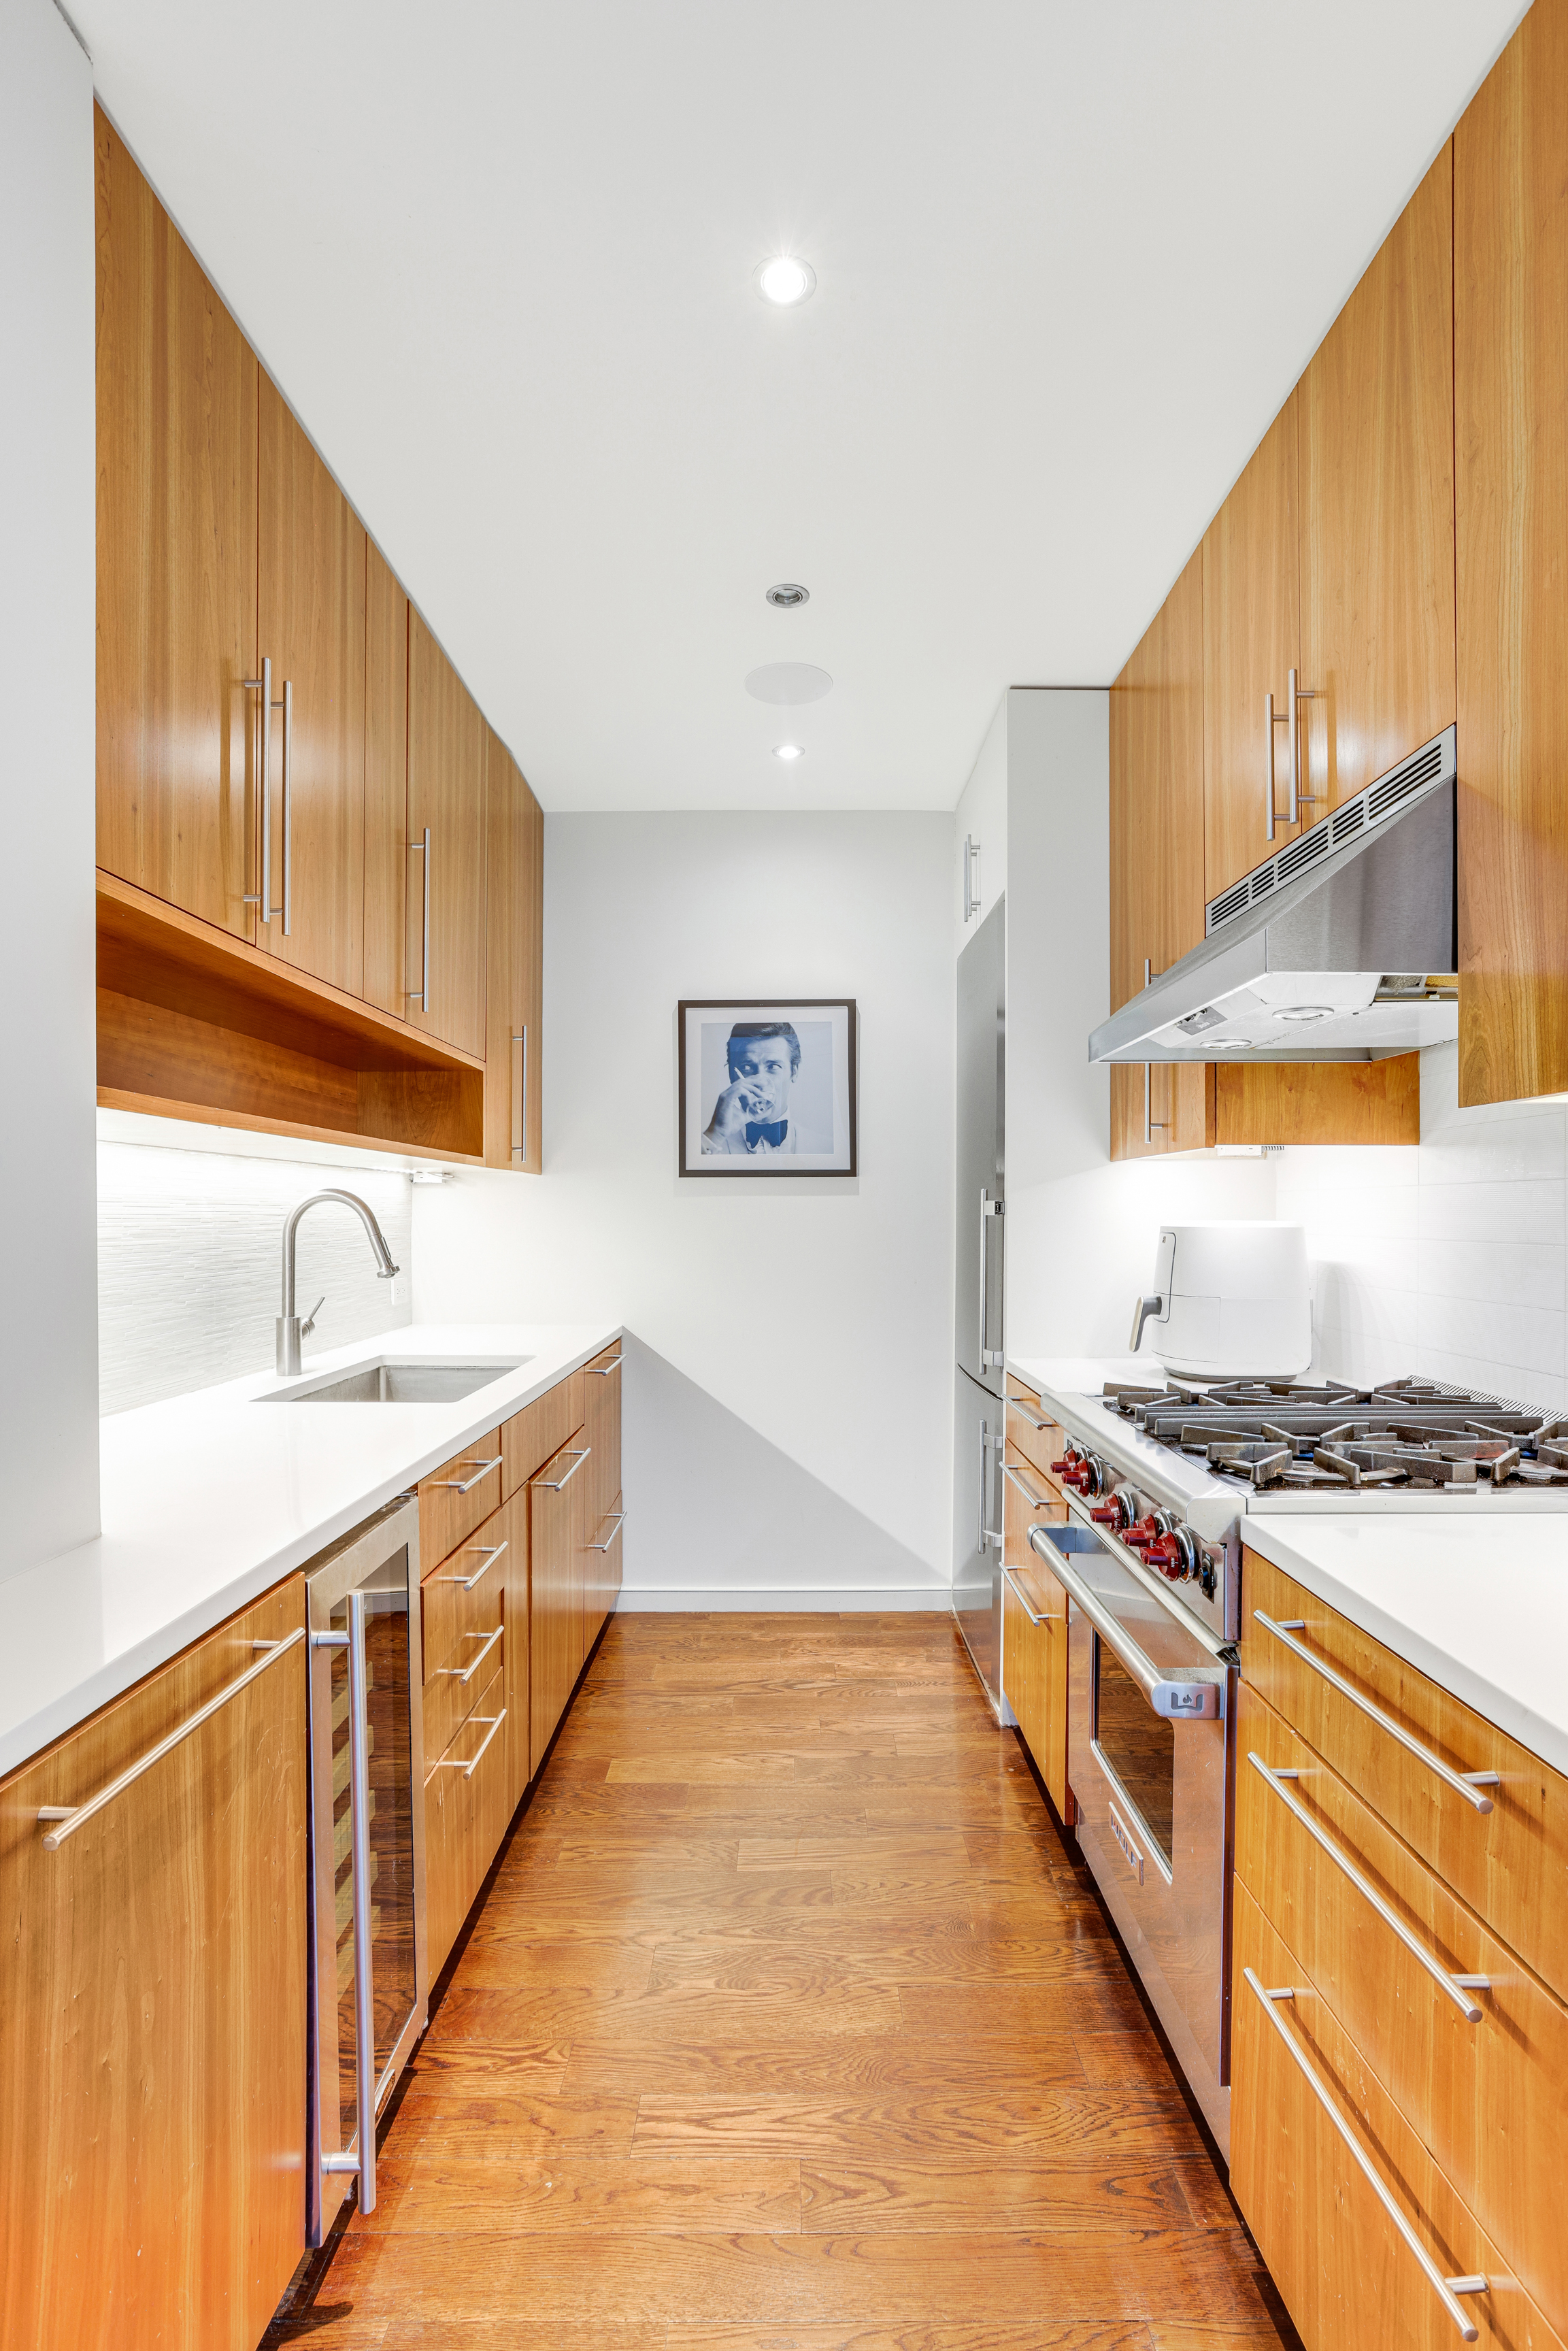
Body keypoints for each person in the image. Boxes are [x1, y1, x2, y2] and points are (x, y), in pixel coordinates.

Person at [701, 1020, 830, 1156]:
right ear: (732, 1075)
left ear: (794, 1072)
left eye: (773, 1067)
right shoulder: (709, 1145)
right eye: (747, 1067)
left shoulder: (827, 1148)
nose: (760, 1082)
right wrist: (716, 1134)